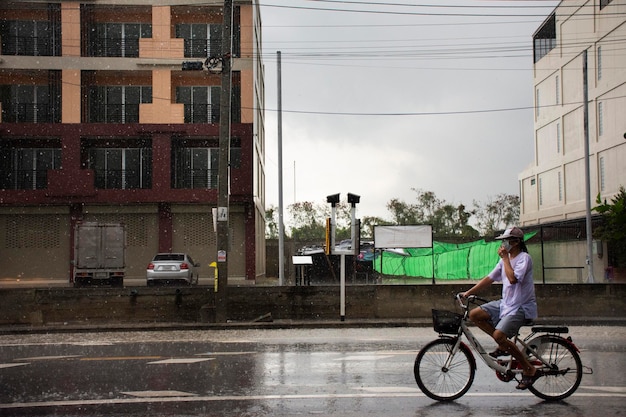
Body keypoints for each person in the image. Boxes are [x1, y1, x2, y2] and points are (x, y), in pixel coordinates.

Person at [462, 226, 540, 390]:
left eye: (507, 240)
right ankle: (503, 344)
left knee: (498, 335)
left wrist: (505, 259)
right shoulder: (505, 259)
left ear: (517, 242)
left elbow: (512, 279)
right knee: (474, 314)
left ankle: (528, 368)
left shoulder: (523, 259)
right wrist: (468, 292)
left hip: (521, 307)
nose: (504, 243)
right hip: (506, 303)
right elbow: (490, 278)